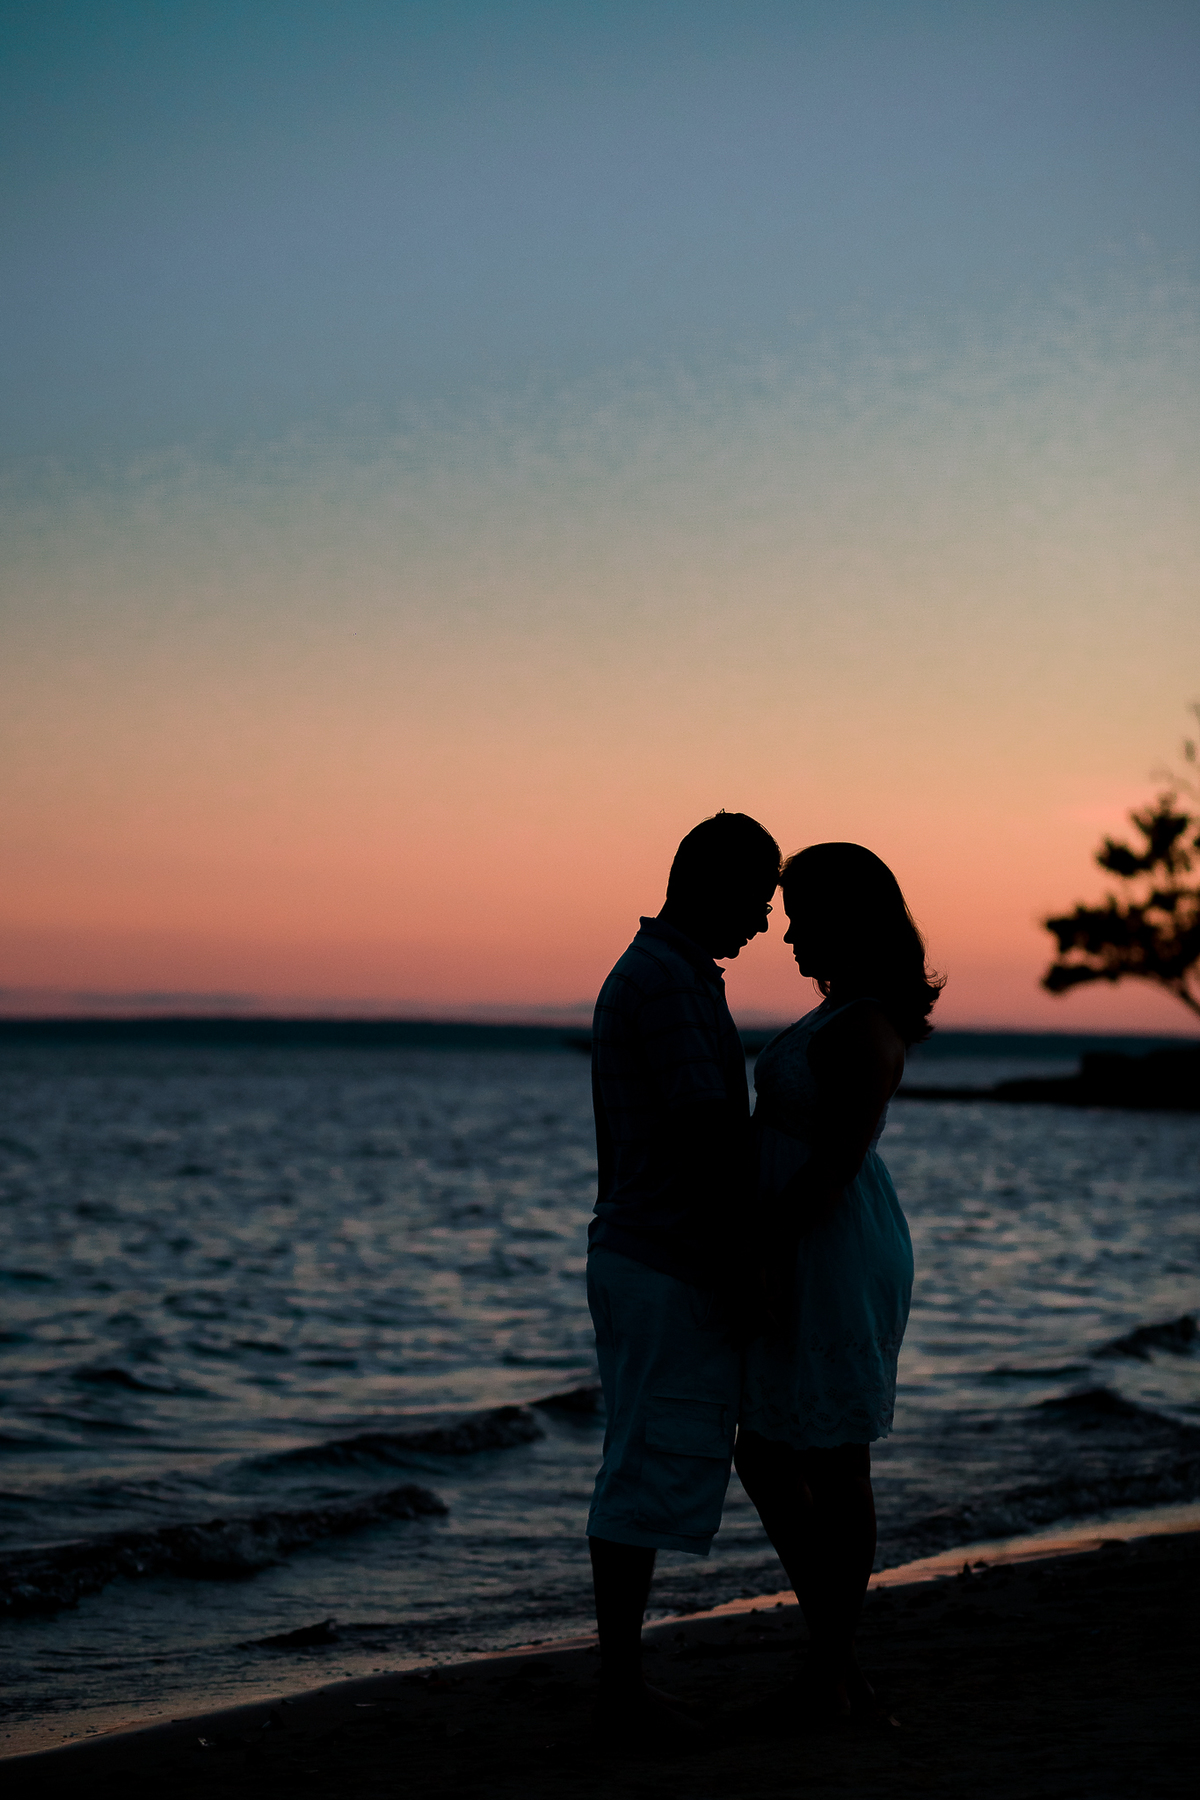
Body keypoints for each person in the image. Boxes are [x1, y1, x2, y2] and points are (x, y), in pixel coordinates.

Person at [736, 842, 942, 1728]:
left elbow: (832, 1165)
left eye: (801, 920)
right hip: (807, 1237)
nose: (787, 937)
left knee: (830, 1458)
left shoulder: (863, 1028)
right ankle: (836, 1669)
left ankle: (830, 1671)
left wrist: (764, 1251)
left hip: (828, 1245)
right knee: (770, 1450)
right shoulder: (840, 1013)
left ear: (847, 923)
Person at [586, 810, 782, 1739]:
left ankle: (622, 1682)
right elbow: (708, 1137)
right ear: (712, 885)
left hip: (654, 1253)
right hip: (665, 1258)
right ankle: (621, 1689)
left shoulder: (670, 973)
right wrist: (746, 1263)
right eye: (759, 896)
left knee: (645, 1453)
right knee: (641, 1463)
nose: (767, 920)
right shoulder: (666, 983)